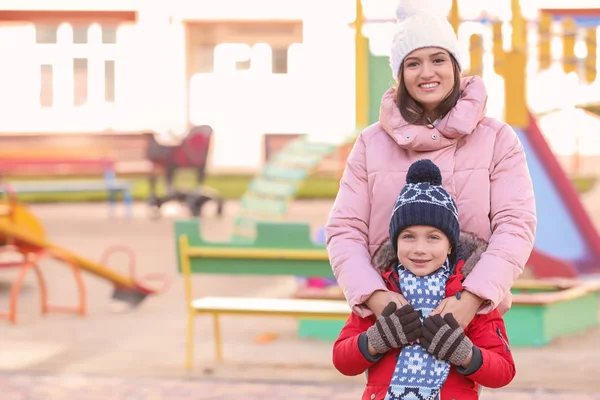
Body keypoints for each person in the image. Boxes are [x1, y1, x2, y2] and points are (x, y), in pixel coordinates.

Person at [325, 0, 536, 328]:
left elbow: (515, 225)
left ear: (455, 65)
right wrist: (374, 295)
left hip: (470, 321)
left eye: (438, 59)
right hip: (391, 319)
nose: (426, 73)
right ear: (400, 74)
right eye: (413, 63)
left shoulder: (497, 139)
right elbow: (344, 229)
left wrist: (473, 297)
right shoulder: (371, 144)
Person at [332, 160, 515, 400]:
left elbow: (503, 371)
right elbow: (343, 360)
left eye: (433, 237)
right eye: (408, 236)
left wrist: (462, 352)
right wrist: (377, 339)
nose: (419, 249)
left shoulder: (468, 298)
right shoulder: (382, 292)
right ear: (395, 242)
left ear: (450, 245)